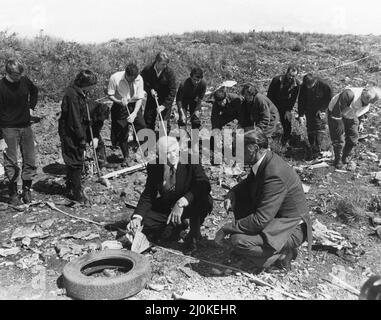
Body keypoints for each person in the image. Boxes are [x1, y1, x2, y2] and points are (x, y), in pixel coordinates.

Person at [216, 127, 312, 271]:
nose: (235, 153)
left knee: (237, 241)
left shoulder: (274, 173)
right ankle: (259, 251)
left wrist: (227, 228)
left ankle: (280, 255)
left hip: (291, 229)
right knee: (241, 197)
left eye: (239, 148)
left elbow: (260, 219)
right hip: (276, 220)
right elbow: (249, 182)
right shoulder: (264, 161)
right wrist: (233, 193)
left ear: (253, 148)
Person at [127, 136, 213, 252]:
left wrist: (183, 201)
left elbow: (204, 184)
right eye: (166, 153)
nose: (172, 156)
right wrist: (137, 217)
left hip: (189, 203)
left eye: (174, 151)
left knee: (204, 199)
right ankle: (179, 225)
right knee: (147, 225)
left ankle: (194, 231)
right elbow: (148, 193)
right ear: (159, 155)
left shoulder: (191, 161)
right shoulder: (154, 166)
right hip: (168, 204)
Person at [0, 58, 38, 204]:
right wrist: (0, 138)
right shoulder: (1, 87)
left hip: (26, 126)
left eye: (20, 75)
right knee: (11, 162)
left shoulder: (24, 80)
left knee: (29, 159)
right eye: (16, 76)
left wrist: (31, 107)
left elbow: (34, 91)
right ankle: (13, 193)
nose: (18, 78)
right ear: (8, 73)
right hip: (8, 128)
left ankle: (27, 190)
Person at [58, 70, 98, 203]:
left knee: (75, 158)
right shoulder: (72, 95)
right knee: (75, 160)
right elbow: (74, 118)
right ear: (85, 83)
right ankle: (76, 192)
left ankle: (70, 186)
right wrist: (82, 137)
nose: (92, 88)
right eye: (91, 85)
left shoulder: (80, 92)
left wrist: (88, 121)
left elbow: (81, 113)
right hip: (70, 131)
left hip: (76, 128)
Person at [327, 86, 381, 169]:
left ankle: (345, 156)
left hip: (352, 113)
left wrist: (361, 123)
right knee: (339, 138)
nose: (368, 102)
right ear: (364, 91)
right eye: (367, 99)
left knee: (354, 137)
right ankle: (338, 160)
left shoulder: (369, 99)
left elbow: (363, 111)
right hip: (336, 113)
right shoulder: (349, 94)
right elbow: (336, 111)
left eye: (371, 101)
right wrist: (340, 123)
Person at [108, 63, 146, 167]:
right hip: (120, 105)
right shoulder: (115, 78)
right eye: (130, 79)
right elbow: (110, 95)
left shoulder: (139, 79)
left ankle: (143, 152)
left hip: (135, 105)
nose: (132, 81)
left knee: (142, 126)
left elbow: (140, 98)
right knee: (122, 131)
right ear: (126, 74)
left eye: (134, 79)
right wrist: (119, 101)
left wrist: (134, 114)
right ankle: (126, 156)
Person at [298, 73, 333, 159]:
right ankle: (312, 146)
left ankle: (319, 148)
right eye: (307, 86)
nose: (309, 87)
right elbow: (301, 100)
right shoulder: (303, 86)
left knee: (319, 127)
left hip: (320, 109)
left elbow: (330, 98)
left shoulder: (324, 85)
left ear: (315, 81)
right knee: (310, 128)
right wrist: (301, 114)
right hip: (309, 109)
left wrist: (323, 109)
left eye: (311, 85)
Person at [141, 52, 177, 133]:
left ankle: (163, 141)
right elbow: (142, 82)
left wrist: (164, 106)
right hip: (152, 98)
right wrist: (149, 89)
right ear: (157, 62)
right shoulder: (148, 69)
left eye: (166, 64)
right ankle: (149, 142)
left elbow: (173, 90)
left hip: (165, 99)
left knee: (163, 122)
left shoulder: (169, 72)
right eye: (163, 64)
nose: (165, 66)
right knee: (148, 120)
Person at [267, 65, 300, 146]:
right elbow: (270, 94)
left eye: (294, 76)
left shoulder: (297, 84)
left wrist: (289, 110)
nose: (291, 78)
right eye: (290, 75)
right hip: (274, 103)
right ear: (286, 73)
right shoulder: (277, 80)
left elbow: (293, 98)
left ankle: (286, 139)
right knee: (271, 121)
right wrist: (270, 108)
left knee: (287, 122)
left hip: (286, 106)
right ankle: (267, 138)